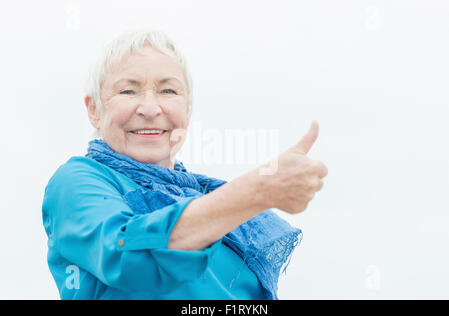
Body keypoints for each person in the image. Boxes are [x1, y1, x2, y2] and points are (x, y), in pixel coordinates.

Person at [42, 28, 328, 300]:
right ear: (94, 109)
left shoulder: (209, 200)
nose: (151, 108)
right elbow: (127, 254)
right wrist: (257, 191)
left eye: (168, 91)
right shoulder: (78, 180)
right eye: (128, 91)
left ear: (188, 109)